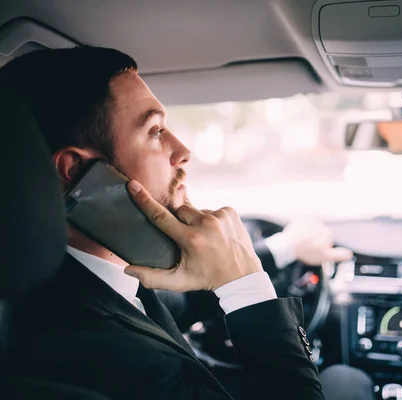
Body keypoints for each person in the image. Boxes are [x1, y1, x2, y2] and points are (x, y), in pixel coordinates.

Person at [2, 47, 369, 400]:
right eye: (155, 132)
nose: (183, 152)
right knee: (347, 381)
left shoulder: (73, 277)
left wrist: (281, 249)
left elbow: (176, 302)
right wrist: (247, 285)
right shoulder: (107, 360)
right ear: (75, 170)